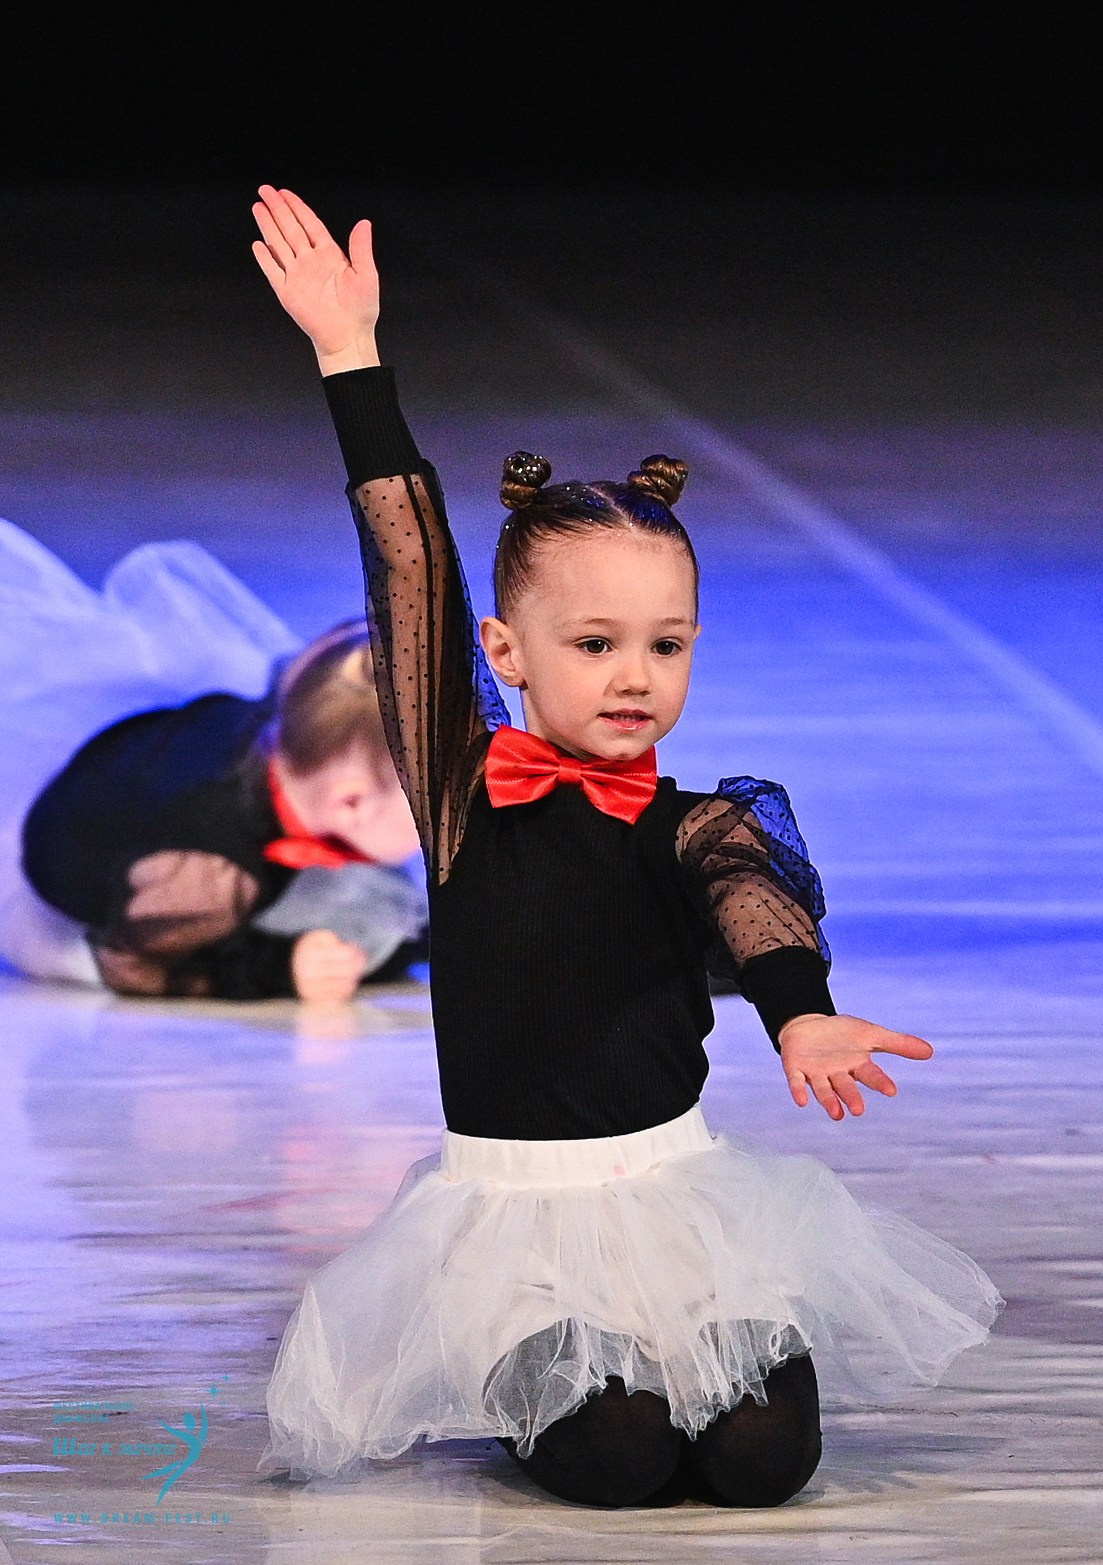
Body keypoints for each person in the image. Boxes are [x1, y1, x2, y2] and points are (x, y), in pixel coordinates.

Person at [247, 187, 998, 1506]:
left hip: (675, 1192)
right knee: (623, 1459)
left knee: (764, 1462)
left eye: (666, 643)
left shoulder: (694, 819)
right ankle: (522, 1380)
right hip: (514, 1223)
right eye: (593, 644)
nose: (634, 674)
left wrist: (802, 1015)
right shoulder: (462, 791)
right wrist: (350, 361)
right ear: (505, 653)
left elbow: (753, 896)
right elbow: (409, 558)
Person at [0, 517, 424, 1001]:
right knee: (370, 935)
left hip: (138, 786)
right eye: (428, 812)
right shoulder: (206, 879)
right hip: (74, 909)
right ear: (350, 803)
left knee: (377, 907)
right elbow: (138, 965)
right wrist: (284, 971)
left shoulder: (293, 727)